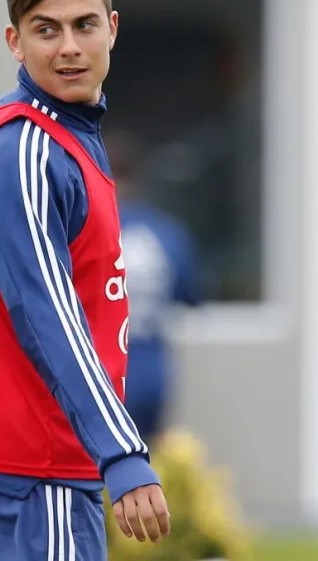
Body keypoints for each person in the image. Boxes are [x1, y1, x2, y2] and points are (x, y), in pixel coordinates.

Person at [0, 0, 171, 559]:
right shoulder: (28, 149)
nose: (68, 47)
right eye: (45, 29)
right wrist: (122, 451)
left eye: (84, 25)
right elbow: (46, 312)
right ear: (14, 42)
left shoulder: (60, 137)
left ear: (111, 29)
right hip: (32, 468)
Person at [107, 130, 202, 446]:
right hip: (151, 370)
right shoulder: (165, 232)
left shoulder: (81, 231)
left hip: (99, 369)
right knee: (143, 470)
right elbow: (190, 295)